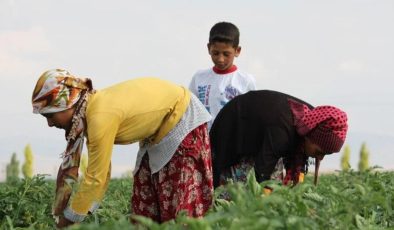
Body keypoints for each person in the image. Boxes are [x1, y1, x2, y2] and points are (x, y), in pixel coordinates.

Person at [31, 69, 214, 227]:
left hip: (182, 120)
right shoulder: (91, 109)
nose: (49, 124)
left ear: (66, 105)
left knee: (179, 207)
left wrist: (69, 220)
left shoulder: (99, 117)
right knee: (145, 204)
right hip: (157, 130)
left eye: (50, 115)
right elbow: (100, 173)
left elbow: (97, 178)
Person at [209, 90, 348, 189]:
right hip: (234, 132)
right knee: (236, 195)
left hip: (260, 138)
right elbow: (262, 172)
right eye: (319, 152)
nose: (320, 157)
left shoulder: (312, 121)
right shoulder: (283, 130)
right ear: (310, 137)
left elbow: (296, 166)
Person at [189, 21, 256, 130]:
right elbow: (190, 111)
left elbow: (252, 115)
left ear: (237, 51)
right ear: (208, 48)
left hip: (232, 140)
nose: (220, 59)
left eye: (226, 54)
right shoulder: (199, 78)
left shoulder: (246, 81)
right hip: (205, 142)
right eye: (216, 53)